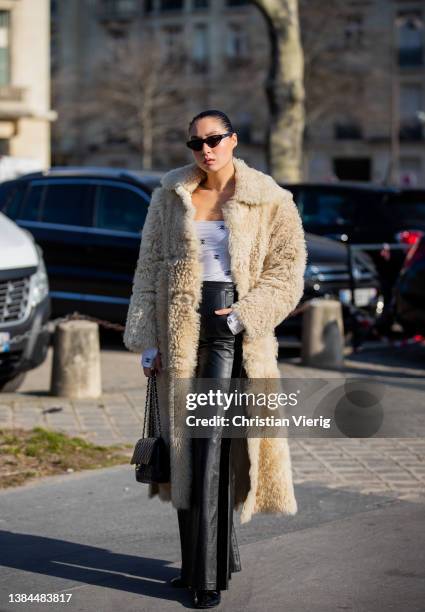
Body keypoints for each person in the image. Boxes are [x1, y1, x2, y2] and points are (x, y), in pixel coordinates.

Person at [123, 109, 307, 609]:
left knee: (209, 448)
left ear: (233, 140)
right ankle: (207, 557)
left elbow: (287, 273)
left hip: (232, 329)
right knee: (188, 448)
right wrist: (148, 337)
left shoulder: (269, 198)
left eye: (214, 139)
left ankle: (206, 576)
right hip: (179, 327)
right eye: (196, 143)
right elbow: (149, 267)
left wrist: (242, 315)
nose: (205, 150)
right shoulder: (169, 196)